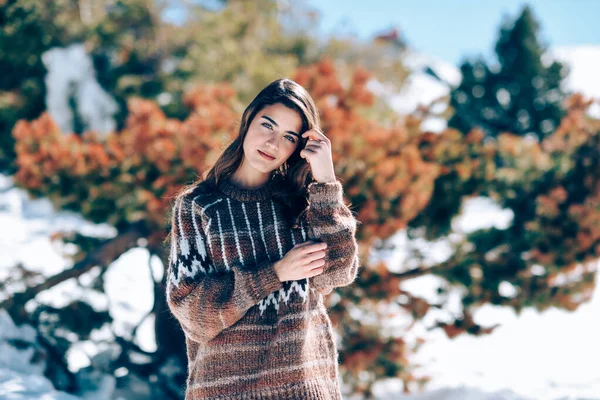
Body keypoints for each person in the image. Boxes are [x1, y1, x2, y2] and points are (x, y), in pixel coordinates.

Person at [166, 78, 360, 399]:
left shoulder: (302, 203)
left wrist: (325, 179)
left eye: (288, 137)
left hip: (304, 389)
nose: (272, 143)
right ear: (248, 121)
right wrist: (275, 274)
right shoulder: (199, 206)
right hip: (226, 391)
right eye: (267, 125)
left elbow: (339, 271)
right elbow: (192, 314)